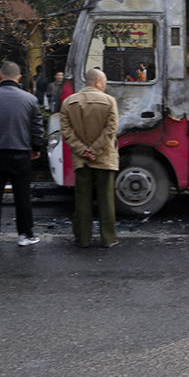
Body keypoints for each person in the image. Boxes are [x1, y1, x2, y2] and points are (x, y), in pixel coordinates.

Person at [0, 61, 44, 247]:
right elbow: (37, 128)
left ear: (1, 76)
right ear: (19, 77)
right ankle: (25, 234)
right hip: (21, 154)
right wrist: (36, 148)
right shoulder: (29, 99)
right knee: (23, 197)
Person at [60, 68, 119, 248]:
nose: (105, 85)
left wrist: (83, 150)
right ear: (98, 82)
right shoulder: (109, 101)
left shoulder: (69, 102)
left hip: (81, 159)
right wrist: (95, 149)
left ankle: (83, 238)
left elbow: (66, 130)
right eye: (105, 82)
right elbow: (111, 129)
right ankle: (108, 238)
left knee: (82, 200)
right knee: (106, 199)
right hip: (105, 157)